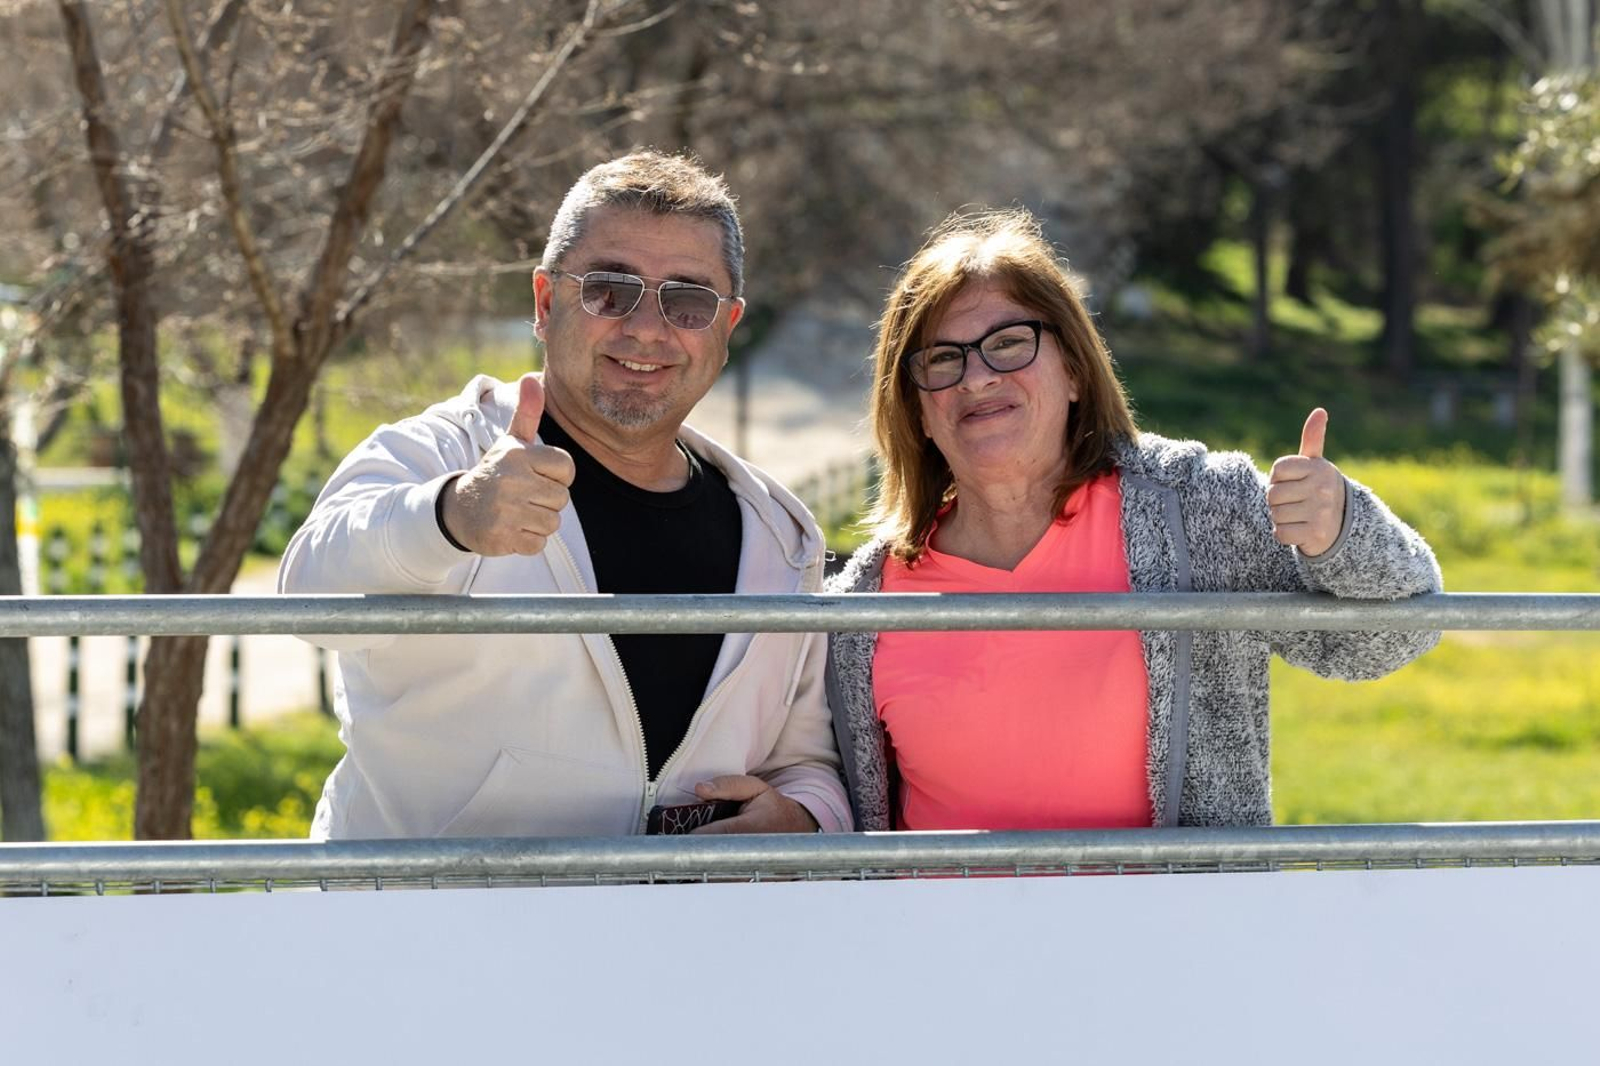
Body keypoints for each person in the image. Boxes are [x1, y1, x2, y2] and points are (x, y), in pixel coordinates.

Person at [280, 151, 849, 839]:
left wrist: (804, 819)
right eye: (610, 290)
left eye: (688, 302)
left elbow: (804, 761)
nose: (646, 328)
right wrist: (450, 516)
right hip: (426, 907)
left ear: (725, 329)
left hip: (677, 913)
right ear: (546, 303)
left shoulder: (779, 535)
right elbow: (309, 593)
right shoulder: (445, 455)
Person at [826, 208, 1441, 832]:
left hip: (1172, 902)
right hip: (936, 903)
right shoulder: (860, 607)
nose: (978, 377)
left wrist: (1340, 532)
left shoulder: (1197, 508)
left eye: (1009, 343)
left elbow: (1392, 637)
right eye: (942, 359)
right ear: (918, 410)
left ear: (1073, 370)